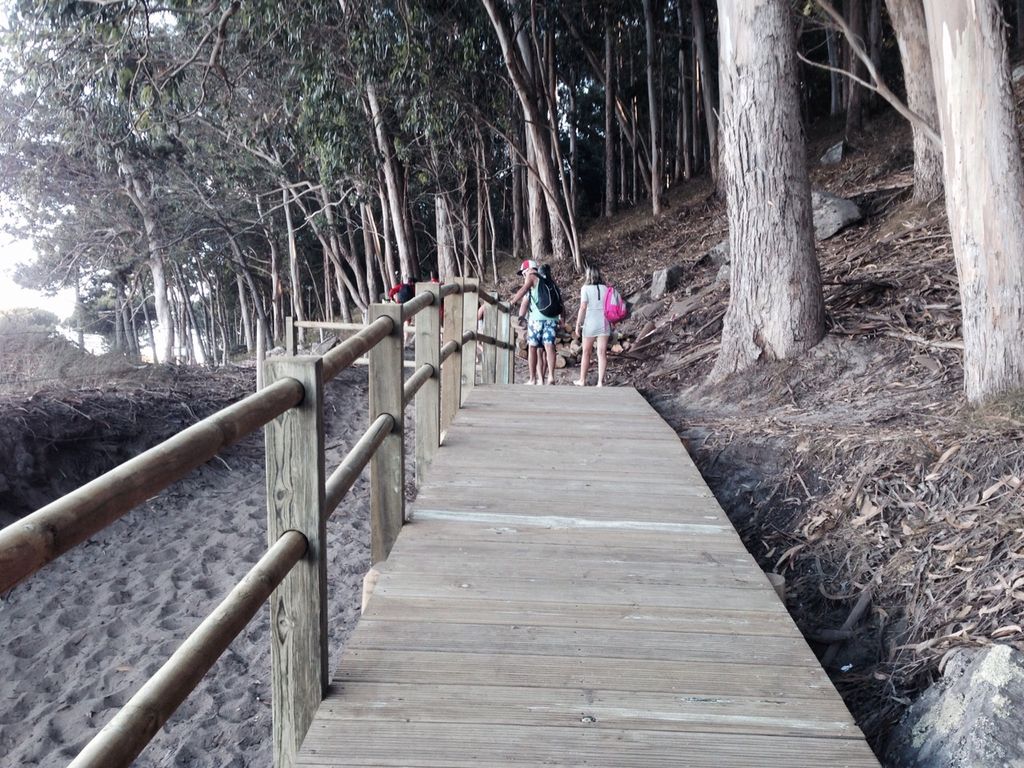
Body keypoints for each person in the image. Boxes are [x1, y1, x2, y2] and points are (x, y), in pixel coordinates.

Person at [573, 265, 611, 387]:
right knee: (601, 353)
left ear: (588, 275)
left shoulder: (585, 288)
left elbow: (583, 307)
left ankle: (582, 380)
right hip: (604, 322)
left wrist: (578, 323)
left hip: (590, 323)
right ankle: (600, 382)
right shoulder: (605, 288)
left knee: (586, 352)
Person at [523, 263, 559, 385]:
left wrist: (520, 317)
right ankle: (550, 377)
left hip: (536, 320)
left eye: (524, 272)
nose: (524, 275)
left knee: (534, 348)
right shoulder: (551, 283)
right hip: (552, 319)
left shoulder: (533, 282)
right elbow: (560, 303)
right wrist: (562, 319)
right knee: (549, 347)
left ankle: (535, 379)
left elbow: (524, 304)